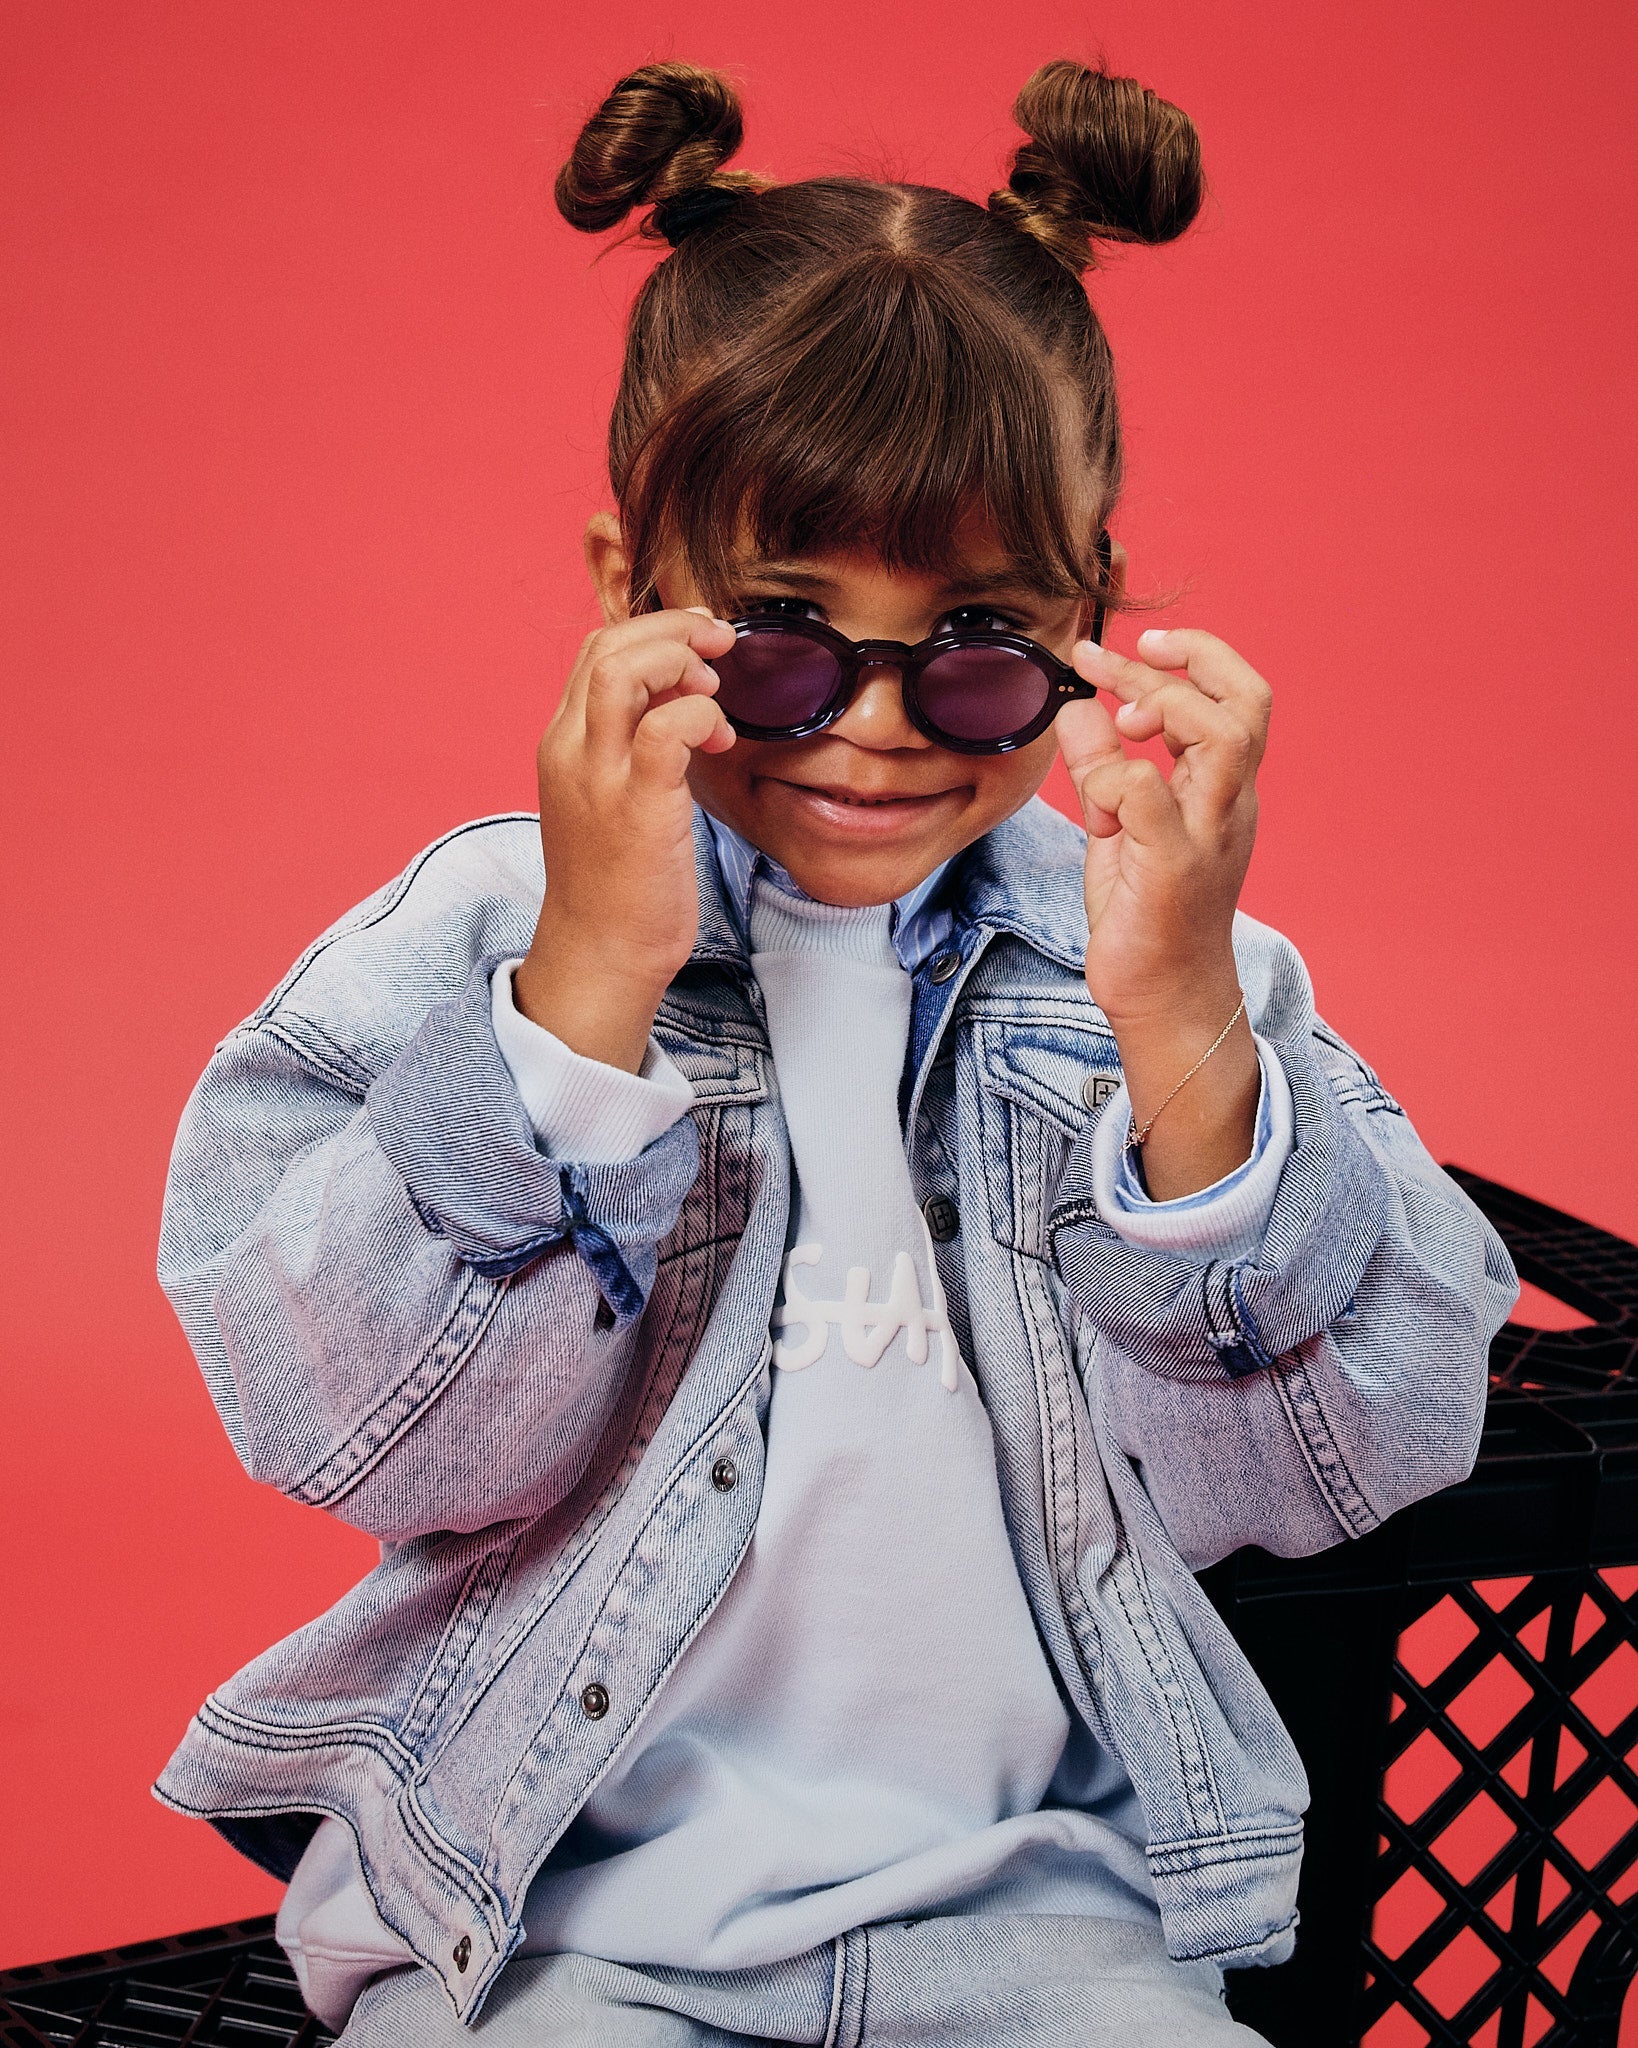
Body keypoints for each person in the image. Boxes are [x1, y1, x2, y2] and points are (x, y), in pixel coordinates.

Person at [153, 58, 1518, 2047]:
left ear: (1088, 614)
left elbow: (1331, 1471)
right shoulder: (478, 945)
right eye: (784, 635)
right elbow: (367, 1432)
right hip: (553, 1918)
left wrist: (1183, 1024)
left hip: (1051, 1914)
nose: (873, 726)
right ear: (627, 593)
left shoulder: (1170, 964)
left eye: (974, 646)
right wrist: (582, 995)